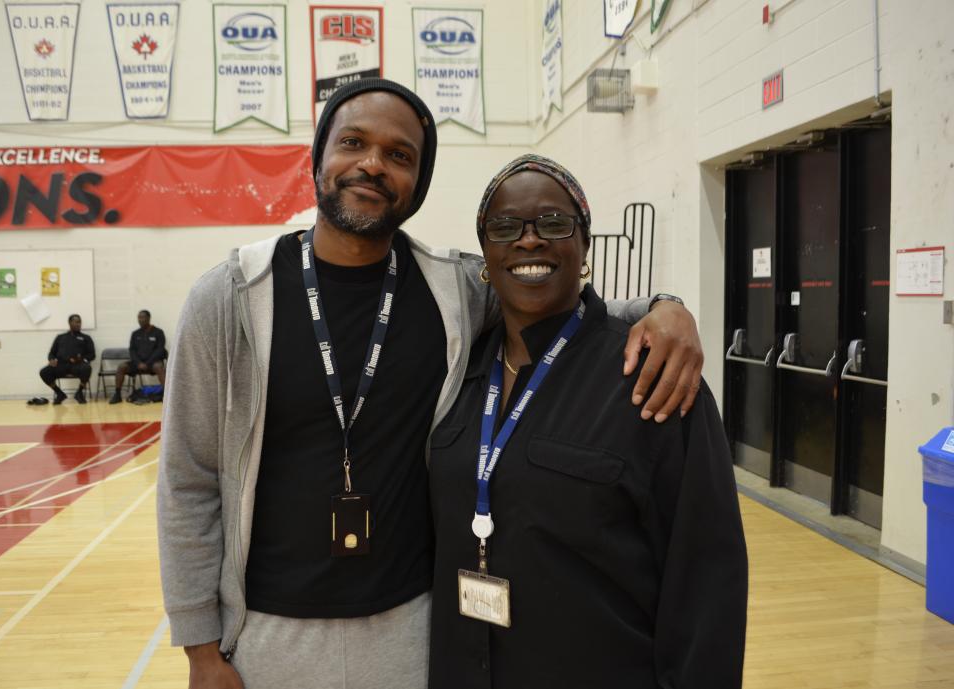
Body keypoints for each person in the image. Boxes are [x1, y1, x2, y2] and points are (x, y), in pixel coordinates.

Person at [157, 79, 705, 689]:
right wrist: (200, 650)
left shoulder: (456, 291)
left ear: (417, 183)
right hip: (267, 636)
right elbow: (188, 482)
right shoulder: (229, 298)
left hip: (415, 631)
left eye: (399, 156)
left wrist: (664, 307)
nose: (372, 165)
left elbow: (546, 290)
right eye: (353, 143)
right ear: (317, 160)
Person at [427, 155, 748, 689]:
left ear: (585, 245)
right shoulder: (454, 372)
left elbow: (706, 582)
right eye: (505, 227)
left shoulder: (652, 380)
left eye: (553, 223)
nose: (529, 241)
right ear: (485, 254)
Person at [109, 309, 166, 404]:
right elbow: (132, 350)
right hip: (137, 363)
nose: (140, 319)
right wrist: (138, 363)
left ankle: (165, 394)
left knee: (159, 367)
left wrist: (147, 363)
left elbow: (160, 350)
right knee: (121, 367)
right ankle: (117, 394)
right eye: (139, 317)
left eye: (142, 317)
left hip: (152, 363)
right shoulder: (135, 334)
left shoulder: (158, 332)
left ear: (148, 318)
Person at [39, 313, 95, 405]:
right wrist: (51, 359)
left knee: (87, 368)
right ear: (70, 323)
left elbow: (92, 355)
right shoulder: (60, 338)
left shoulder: (86, 338)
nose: (78, 324)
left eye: (80, 322)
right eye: (76, 322)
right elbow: (52, 353)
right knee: (44, 372)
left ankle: (79, 393)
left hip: (77, 365)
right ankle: (59, 393)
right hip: (61, 365)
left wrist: (81, 359)